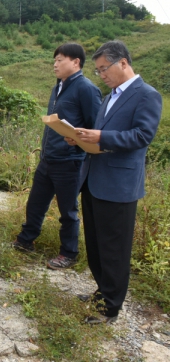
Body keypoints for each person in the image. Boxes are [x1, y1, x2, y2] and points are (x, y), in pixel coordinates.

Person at [66, 41, 162, 324]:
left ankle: (110, 307)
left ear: (123, 63)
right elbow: (101, 133)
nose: (102, 75)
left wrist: (100, 137)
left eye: (104, 69)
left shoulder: (147, 95)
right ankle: (102, 291)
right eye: (98, 71)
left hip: (119, 184)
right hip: (95, 178)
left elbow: (142, 136)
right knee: (96, 244)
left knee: (114, 248)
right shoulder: (110, 97)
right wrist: (81, 138)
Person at [12, 43, 102, 269]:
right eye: (54, 60)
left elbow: (96, 127)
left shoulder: (86, 89)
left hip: (70, 161)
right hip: (48, 158)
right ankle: (26, 240)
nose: (55, 64)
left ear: (76, 62)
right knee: (35, 203)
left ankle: (69, 253)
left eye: (60, 59)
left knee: (68, 210)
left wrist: (79, 144)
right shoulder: (58, 86)